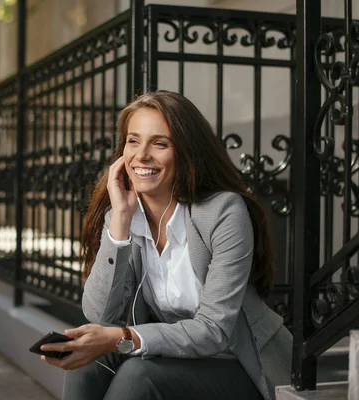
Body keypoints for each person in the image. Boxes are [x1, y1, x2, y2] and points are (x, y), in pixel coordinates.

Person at [39, 91, 292, 400]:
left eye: (159, 143)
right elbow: (100, 314)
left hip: (237, 364)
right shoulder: (124, 215)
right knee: (87, 364)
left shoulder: (223, 211)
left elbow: (214, 330)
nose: (141, 155)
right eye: (133, 141)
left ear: (186, 152)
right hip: (172, 358)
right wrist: (120, 220)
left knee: (139, 374)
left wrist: (122, 337)